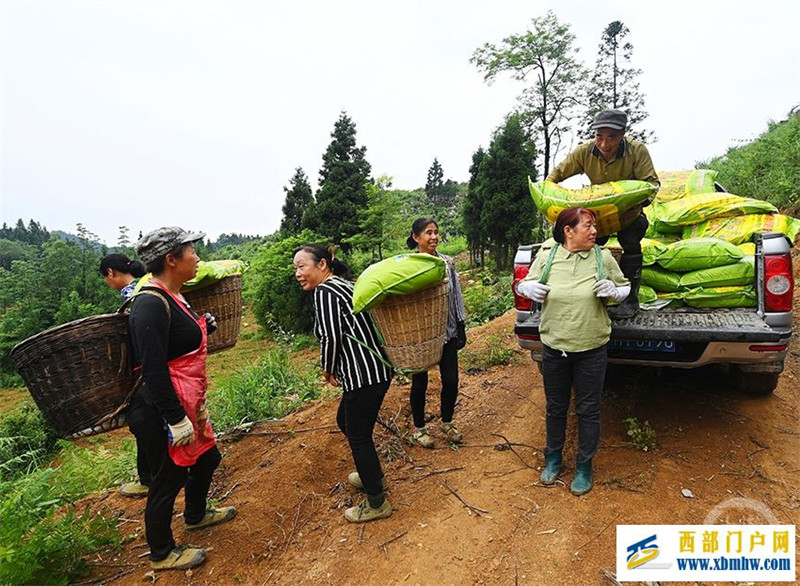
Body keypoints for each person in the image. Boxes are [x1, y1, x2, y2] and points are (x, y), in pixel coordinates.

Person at [128, 227, 236, 571]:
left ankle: (196, 514)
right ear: (171, 259)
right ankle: (161, 552)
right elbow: (153, 368)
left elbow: (176, 341)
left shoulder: (173, 295)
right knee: (167, 478)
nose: (197, 257)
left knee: (207, 457)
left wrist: (203, 324)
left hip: (189, 401)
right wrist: (175, 418)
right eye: (191, 251)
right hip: (162, 408)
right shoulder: (149, 303)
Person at [517, 207, 630, 496]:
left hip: (591, 345)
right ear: (569, 231)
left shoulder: (602, 258)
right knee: (556, 406)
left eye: (594, 226)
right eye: (588, 226)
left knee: (588, 408)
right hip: (555, 345)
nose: (594, 231)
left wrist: (614, 292)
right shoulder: (548, 256)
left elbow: (625, 288)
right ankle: (553, 458)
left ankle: (584, 465)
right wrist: (528, 288)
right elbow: (524, 282)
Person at [293, 244, 393, 523]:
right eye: (295, 269)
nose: (298, 273)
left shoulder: (325, 292)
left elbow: (331, 336)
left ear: (322, 265)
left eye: (302, 266)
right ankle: (372, 475)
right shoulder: (344, 286)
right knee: (346, 421)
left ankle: (376, 502)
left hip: (363, 376)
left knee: (358, 436)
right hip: (377, 371)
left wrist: (327, 368)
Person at [546, 109, 659, 318]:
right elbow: (557, 174)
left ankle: (630, 300)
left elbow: (652, 184)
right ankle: (584, 296)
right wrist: (546, 191)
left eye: (612, 138)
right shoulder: (585, 151)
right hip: (598, 215)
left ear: (623, 134)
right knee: (584, 244)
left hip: (627, 213)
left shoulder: (637, 150)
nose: (604, 144)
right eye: (599, 136)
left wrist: (639, 203)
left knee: (631, 239)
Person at [406, 218, 467, 448]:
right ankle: (420, 430)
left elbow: (456, 295)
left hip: (448, 331)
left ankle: (447, 422)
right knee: (420, 382)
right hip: (421, 336)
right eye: (428, 233)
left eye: (436, 232)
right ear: (416, 238)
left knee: (451, 380)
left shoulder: (447, 263)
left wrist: (461, 324)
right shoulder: (410, 266)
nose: (433, 237)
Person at [99, 254, 151, 498]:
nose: (108, 284)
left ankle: (150, 479)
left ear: (111, 272)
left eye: (105, 279)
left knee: (142, 420)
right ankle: (149, 476)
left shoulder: (132, 295)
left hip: (148, 368)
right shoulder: (144, 286)